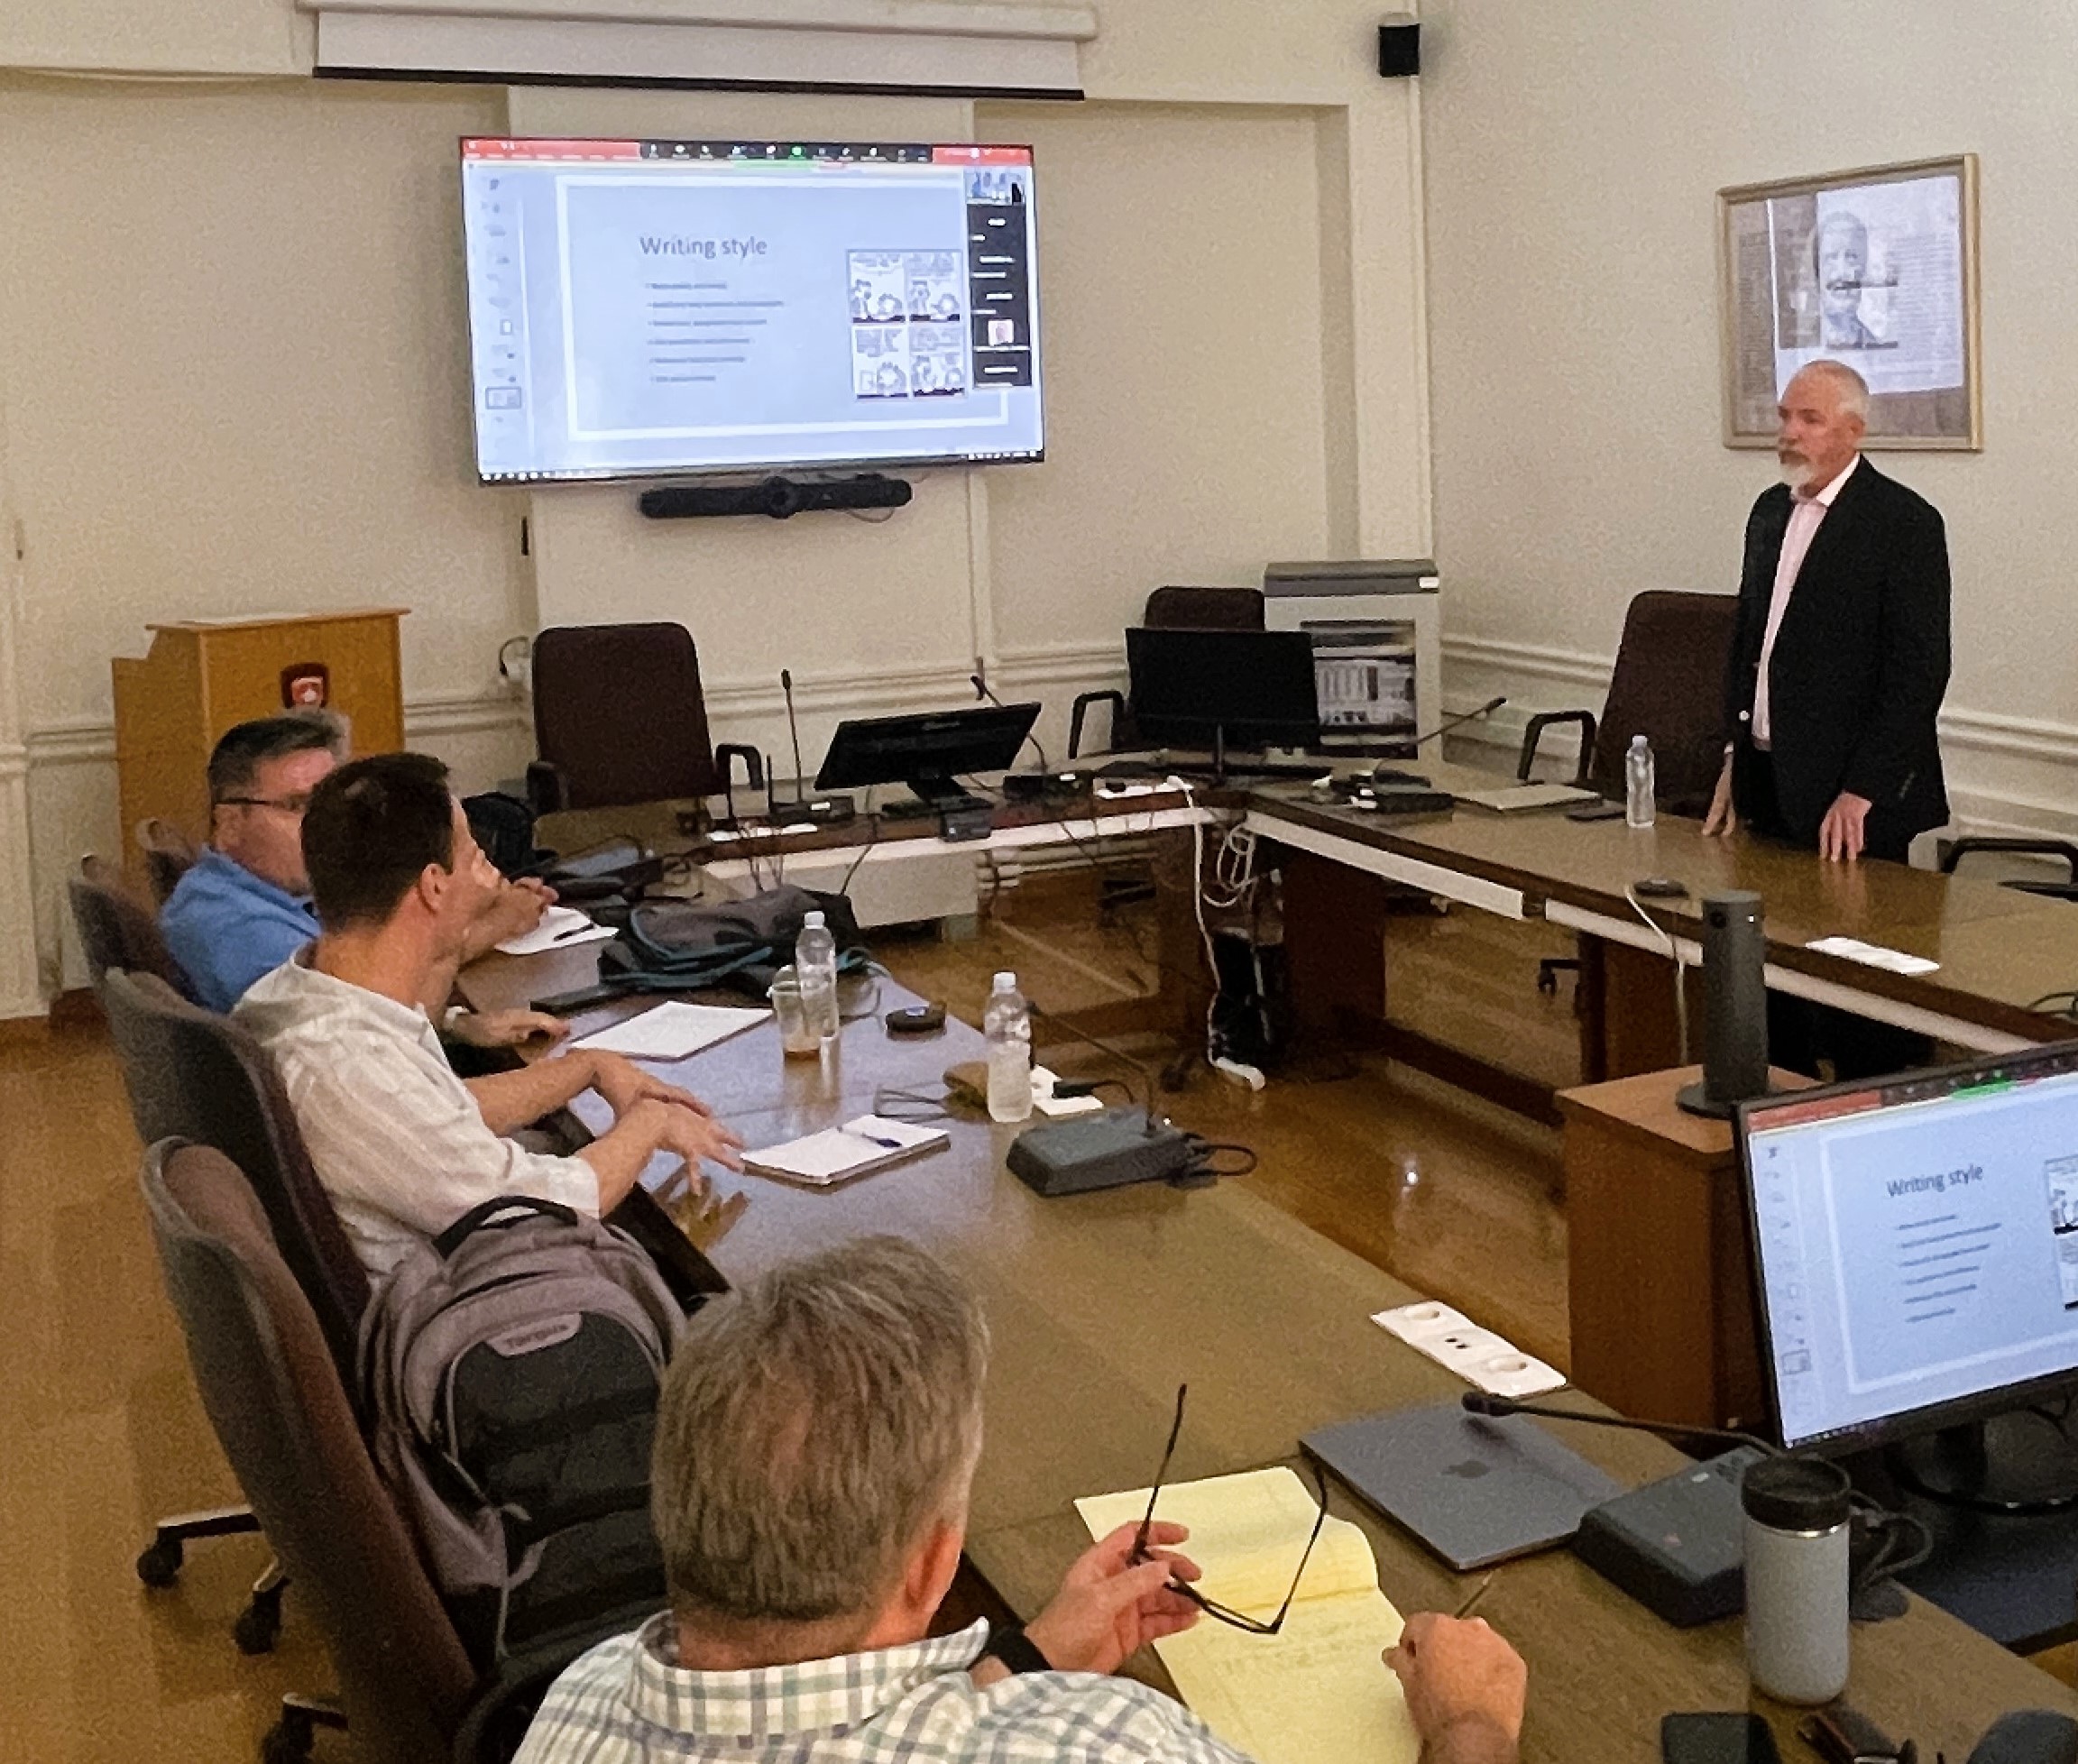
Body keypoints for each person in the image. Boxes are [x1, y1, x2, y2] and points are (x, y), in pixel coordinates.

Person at [515, 1236, 1528, 1764]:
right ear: (931, 1565)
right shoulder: (1100, 1744)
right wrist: (1471, 1729)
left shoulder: (582, 1696)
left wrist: (1027, 1659)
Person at [236, 752, 743, 1277]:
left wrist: (586, 1067)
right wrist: (650, 1122)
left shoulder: (298, 994)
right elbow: (542, 1207)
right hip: (468, 1302)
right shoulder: (347, 1066)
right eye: (475, 856)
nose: (490, 878)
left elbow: (440, 1111)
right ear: (433, 887)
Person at [1704, 357, 1951, 1076]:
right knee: (1772, 976)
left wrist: (1863, 790)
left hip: (1855, 799)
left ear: (1853, 430)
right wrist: (1734, 755)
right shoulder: (1768, 512)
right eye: (1785, 416)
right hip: (1770, 782)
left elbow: (1918, 672)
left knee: (1863, 991)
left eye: (1809, 419)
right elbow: (1751, 643)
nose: (1790, 432)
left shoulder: (1902, 522)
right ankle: (1778, 1104)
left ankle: (1873, 1108)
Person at [162, 714, 556, 1042]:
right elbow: (373, 1025)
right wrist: (494, 919)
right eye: (300, 805)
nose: (329, 825)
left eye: (332, 805)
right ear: (230, 824)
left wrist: (458, 1024)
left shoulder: (269, 891)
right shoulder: (234, 927)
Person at [1808, 213, 1890, 352]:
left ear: (1863, 269)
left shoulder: (1874, 345)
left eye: (1851, 257)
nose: (1842, 272)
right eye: (1831, 258)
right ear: (1817, 272)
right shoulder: (1805, 346)